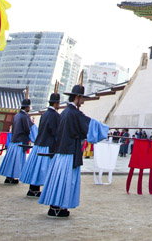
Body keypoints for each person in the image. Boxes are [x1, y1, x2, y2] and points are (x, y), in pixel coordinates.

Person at [39, 83, 108, 219]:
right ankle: (58, 208)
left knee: (58, 179)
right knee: (65, 180)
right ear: (77, 97)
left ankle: (55, 207)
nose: (83, 101)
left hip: (61, 151)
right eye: (82, 98)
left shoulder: (65, 112)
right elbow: (89, 126)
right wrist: (105, 129)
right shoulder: (75, 113)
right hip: (69, 151)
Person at [22, 91, 61, 198]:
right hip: (47, 145)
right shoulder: (56, 116)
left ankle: (32, 189)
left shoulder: (44, 114)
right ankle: (36, 190)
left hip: (39, 143)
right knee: (42, 169)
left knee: (36, 168)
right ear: (56, 103)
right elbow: (55, 132)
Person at [0, 98, 34, 184]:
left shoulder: (16, 115)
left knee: (11, 160)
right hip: (20, 140)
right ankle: (14, 177)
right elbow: (27, 129)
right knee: (17, 161)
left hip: (13, 140)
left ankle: (8, 177)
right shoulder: (25, 116)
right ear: (27, 107)